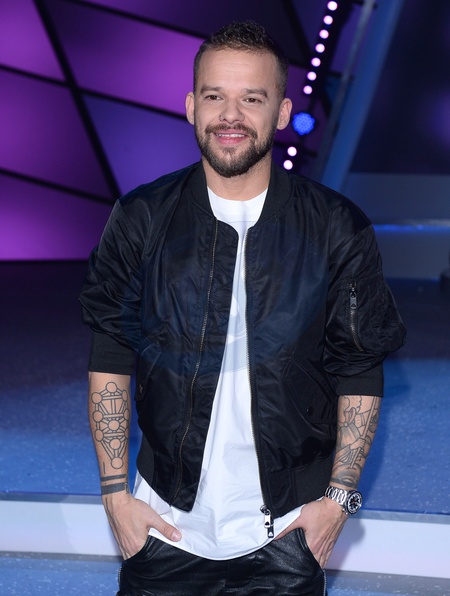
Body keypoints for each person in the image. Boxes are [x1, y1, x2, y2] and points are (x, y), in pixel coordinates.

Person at [79, 20, 406, 595]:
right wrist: (113, 495)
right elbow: (111, 352)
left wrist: (338, 501)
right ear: (191, 106)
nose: (230, 116)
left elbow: (359, 367)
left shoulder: (337, 227)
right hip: (163, 525)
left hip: (288, 532)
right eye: (214, 97)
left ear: (281, 112)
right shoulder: (141, 217)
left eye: (252, 99)